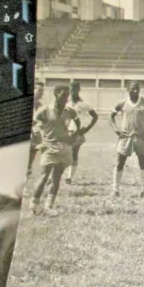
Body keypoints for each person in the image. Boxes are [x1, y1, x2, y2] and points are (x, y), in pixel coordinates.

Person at [29, 85, 81, 215]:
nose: (66, 98)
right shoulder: (45, 110)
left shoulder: (69, 110)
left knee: (56, 178)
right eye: (63, 95)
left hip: (64, 148)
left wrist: (73, 135)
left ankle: (49, 207)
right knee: (43, 176)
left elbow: (78, 123)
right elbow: (33, 125)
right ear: (56, 94)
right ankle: (33, 207)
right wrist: (39, 138)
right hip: (49, 148)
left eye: (67, 95)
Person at [109, 81, 144, 197]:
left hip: (141, 137)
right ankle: (115, 190)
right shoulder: (122, 103)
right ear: (127, 89)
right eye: (132, 89)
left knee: (143, 163)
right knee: (120, 163)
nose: (135, 91)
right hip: (126, 137)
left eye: (137, 89)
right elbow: (111, 116)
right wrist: (116, 129)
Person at [64, 81, 99, 185]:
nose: (72, 91)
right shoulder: (66, 103)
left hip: (77, 132)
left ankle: (69, 178)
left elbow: (95, 116)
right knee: (62, 154)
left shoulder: (83, 104)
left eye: (74, 89)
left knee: (74, 154)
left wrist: (87, 128)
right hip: (66, 132)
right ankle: (58, 175)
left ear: (79, 90)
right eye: (70, 89)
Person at [26, 81, 45, 179]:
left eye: (43, 90)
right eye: (40, 90)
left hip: (35, 132)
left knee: (33, 149)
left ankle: (28, 168)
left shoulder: (40, 105)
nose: (42, 92)